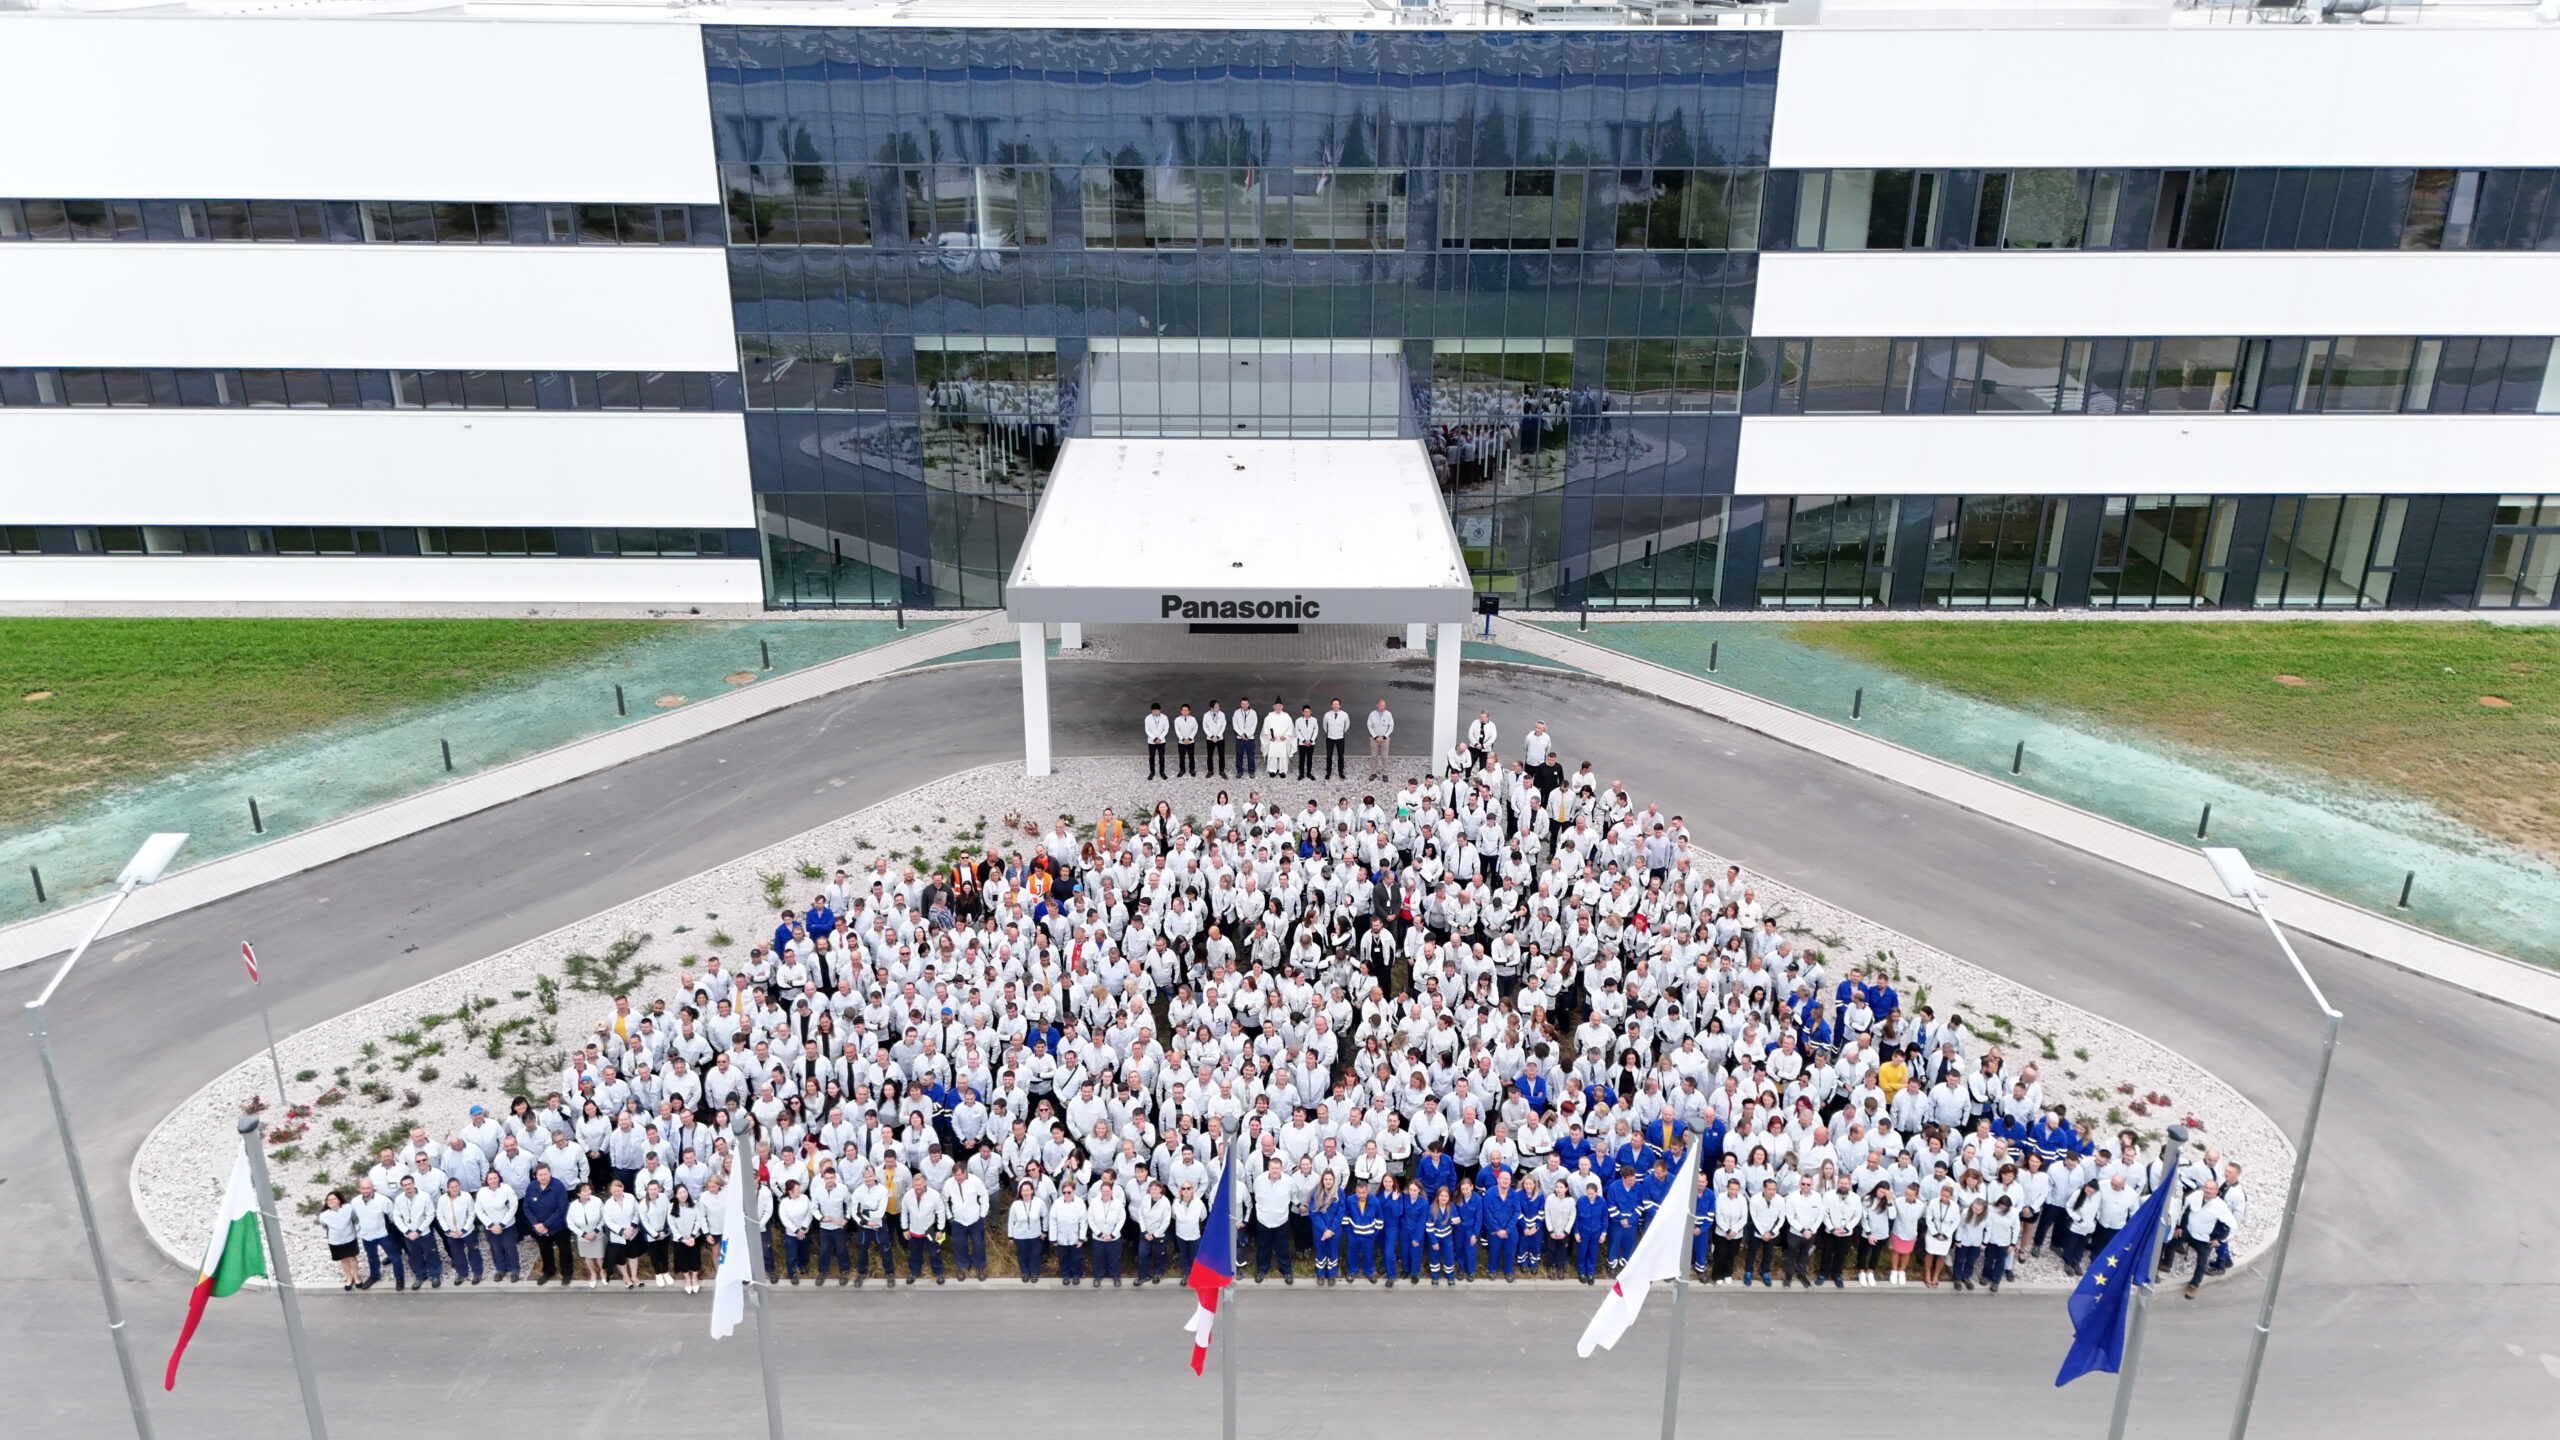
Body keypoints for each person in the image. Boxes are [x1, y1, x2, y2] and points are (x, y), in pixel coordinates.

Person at [2178, 1179, 2237, 1299]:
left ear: (2216, 1192)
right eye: (2206, 1188)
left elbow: (2233, 1226)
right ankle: (2165, 1264)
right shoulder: (2195, 1196)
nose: (2208, 1191)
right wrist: (2180, 1227)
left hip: (2205, 1239)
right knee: (2172, 1240)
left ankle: (2194, 1285)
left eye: (2211, 1189)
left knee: (2202, 1263)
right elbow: (2184, 1210)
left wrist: (2220, 1240)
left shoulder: (2220, 1206)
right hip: (2189, 1232)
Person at [391, 1174, 439, 1291]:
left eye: (409, 1184)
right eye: (404, 1185)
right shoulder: (399, 1199)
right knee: (414, 1256)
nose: (407, 1187)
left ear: (413, 1184)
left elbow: (430, 1215)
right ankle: (420, 1276)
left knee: (431, 1254)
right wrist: (407, 1232)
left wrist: (418, 1231)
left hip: (424, 1233)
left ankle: (435, 1275)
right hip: (409, 1236)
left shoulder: (424, 1196)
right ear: (402, 1187)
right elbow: (396, 1217)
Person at [316, 1191, 363, 1291]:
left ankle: (356, 1277)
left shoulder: (349, 1208)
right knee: (343, 1260)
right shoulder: (324, 1215)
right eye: (328, 1200)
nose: (331, 1201)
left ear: (339, 1200)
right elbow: (324, 1226)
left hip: (349, 1237)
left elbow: (355, 1219)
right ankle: (349, 1277)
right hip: (335, 1240)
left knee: (352, 1258)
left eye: (333, 1199)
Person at [1007, 1178, 1048, 1283]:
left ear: (1032, 1191)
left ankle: (1034, 1272)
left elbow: (1045, 1216)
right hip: (1020, 1236)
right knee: (1022, 1255)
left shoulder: (1039, 1202)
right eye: (1023, 1190)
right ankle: (1025, 1272)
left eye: (1027, 1190)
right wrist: (1010, 1236)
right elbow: (1011, 1221)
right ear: (1020, 1192)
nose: (1025, 1192)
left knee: (1035, 1254)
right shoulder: (1015, 1205)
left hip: (1035, 1235)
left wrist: (1044, 1231)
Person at [568, 1180, 606, 1288]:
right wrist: (583, 1234)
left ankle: (603, 1272)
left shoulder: (597, 1201)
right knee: (588, 1256)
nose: (588, 1192)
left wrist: (595, 1231)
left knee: (600, 1256)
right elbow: (571, 1223)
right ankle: (593, 1273)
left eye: (588, 1189)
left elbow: (603, 1218)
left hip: (597, 1234)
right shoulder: (573, 1206)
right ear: (578, 1194)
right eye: (584, 1191)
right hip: (583, 1237)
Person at [669, 1184, 706, 1294]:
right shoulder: (671, 1206)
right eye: (680, 1193)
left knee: (695, 1259)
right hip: (679, 1240)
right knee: (683, 1260)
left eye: (684, 1192)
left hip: (693, 1238)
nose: (683, 1194)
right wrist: (681, 1239)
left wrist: (693, 1236)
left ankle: (694, 1278)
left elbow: (698, 1220)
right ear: (676, 1195)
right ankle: (687, 1279)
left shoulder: (694, 1204)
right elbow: (671, 1225)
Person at [1261, 703, 1295, 779]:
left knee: (1283, 756)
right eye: (1276, 706)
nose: (1278, 707)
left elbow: (1291, 728)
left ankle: (1282, 771)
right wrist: (1270, 737)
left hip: (1283, 739)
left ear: (1282, 707)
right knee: (1272, 755)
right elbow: (1265, 728)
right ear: (1274, 707)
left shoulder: (1286, 716)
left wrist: (1286, 736)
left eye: (1279, 706)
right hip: (1273, 739)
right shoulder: (1269, 717)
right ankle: (1272, 770)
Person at [1322, 699, 1351, 780]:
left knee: (1340, 756)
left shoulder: (1344, 714)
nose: (1335, 706)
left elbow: (1347, 724)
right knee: (1329, 756)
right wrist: (1328, 733)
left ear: (1339, 705)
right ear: (1332, 705)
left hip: (1340, 738)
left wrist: (1342, 732)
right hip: (1330, 738)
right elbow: (1324, 725)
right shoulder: (1327, 715)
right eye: (1334, 704)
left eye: (1337, 704)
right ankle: (1328, 772)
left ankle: (1341, 772)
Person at [1366, 699, 1395, 781]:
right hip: (1374, 739)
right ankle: (1373, 772)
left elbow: (1391, 726)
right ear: (1377, 705)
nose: (1383, 707)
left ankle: (1385, 773)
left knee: (1385, 757)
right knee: (1373, 756)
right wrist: (1375, 737)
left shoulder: (1388, 714)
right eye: (1381, 705)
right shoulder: (1372, 714)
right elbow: (1369, 726)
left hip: (1384, 739)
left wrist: (1385, 736)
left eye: (1384, 705)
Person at [1233, 696, 1259, 777]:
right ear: (1240, 704)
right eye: (1243, 704)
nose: (1244, 705)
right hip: (1239, 738)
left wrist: (1247, 734)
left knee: (1251, 755)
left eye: (1246, 704)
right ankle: (1239, 770)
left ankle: (1251, 770)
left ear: (1249, 704)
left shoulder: (1253, 713)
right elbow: (1235, 725)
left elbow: (1254, 725)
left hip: (1249, 738)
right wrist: (1241, 734)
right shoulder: (1236, 713)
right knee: (1239, 754)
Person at [1144, 703, 1170, 781]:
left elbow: (1166, 729)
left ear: (1160, 710)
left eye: (1157, 710)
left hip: (1161, 741)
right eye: (1154, 710)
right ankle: (1152, 772)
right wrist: (1154, 738)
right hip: (1151, 741)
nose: (1156, 712)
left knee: (1161, 757)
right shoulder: (1148, 718)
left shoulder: (1164, 717)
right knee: (1151, 757)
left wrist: (1160, 738)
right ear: (1152, 711)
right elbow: (1147, 730)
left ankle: (1162, 772)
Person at [1202, 701, 1229, 778]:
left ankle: (1222, 771)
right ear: (1211, 708)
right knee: (1210, 755)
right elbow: (1205, 727)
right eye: (1216, 707)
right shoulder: (1206, 715)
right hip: (1210, 739)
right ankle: (1210, 771)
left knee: (1221, 755)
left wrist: (1217, 736)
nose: (1218, 708)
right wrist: (1211, 736)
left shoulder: (1222, 714)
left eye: (1218, 706)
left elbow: (1223, 726)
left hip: (1220, 738)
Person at [1292, 705, 1319, 781]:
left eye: (1308, 711)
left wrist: (1311, 740)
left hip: (1311, 743)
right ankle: (1301, 774)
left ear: (1310, 712)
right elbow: (1297, 731)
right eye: (1305, 711)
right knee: (1302, 759)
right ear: (1302, 712)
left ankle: (1309, 773)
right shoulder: (1298, 720)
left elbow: (1316, 730)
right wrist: (1303, 740)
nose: (1307, 713)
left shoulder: (1314, 720)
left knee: (1309, 759)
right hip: (1302, 743)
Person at [1173, 704, 1199, 777]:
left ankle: (1192, 769)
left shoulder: (1193, 719)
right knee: (1182, 756)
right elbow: (1177, 730)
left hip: (1191, 741)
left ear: (1189, 711)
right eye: (1183, 710)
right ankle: (1182, 770)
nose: (1185, 712)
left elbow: (1195, 729)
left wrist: (1190, 738)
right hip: (1181, 742)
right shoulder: (1177, 719)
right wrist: (1183, 739)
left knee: (1191, 756)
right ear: (1181, 711)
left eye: (1186, 710)